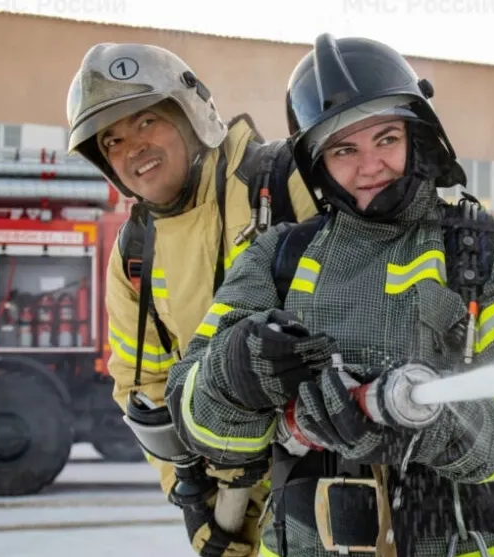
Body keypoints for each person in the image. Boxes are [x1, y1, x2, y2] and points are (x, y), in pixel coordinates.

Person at [164, 33, 494, 557]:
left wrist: (431, 426)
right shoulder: (276, 259)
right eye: (344, 150)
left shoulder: (491, 252)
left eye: (386, 139)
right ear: (316, 165)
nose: (370, 166)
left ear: (419, 135)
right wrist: (235, 374)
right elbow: (198, 423)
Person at [66, 42, 323, 557]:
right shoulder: (134, 254)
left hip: (327, 483)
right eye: (111, 140)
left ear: (192, 116)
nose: (132, 147)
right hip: (235, 502)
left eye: (145, 122)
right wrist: (191, 497)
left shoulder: (280, 183)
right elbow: (143, 386)